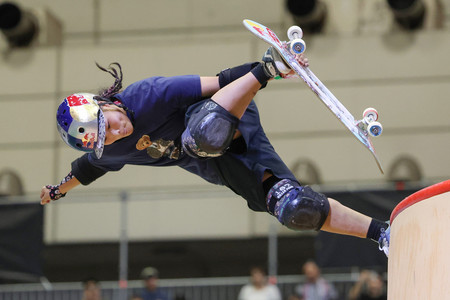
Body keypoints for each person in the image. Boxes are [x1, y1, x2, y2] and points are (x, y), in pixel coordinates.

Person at [39, 45, 390, 255]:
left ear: (105, 103)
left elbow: (220, 82)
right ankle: (383, 233)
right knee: (296, 209)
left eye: (109, 122)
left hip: (226, 112)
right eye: (106, 138)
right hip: (218, 165)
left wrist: (269, 70)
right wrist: (57, 191)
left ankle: (269, 66)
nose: (116, 132)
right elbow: (85, 170)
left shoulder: (149, 95)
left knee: (201, 136)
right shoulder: (107, 151)